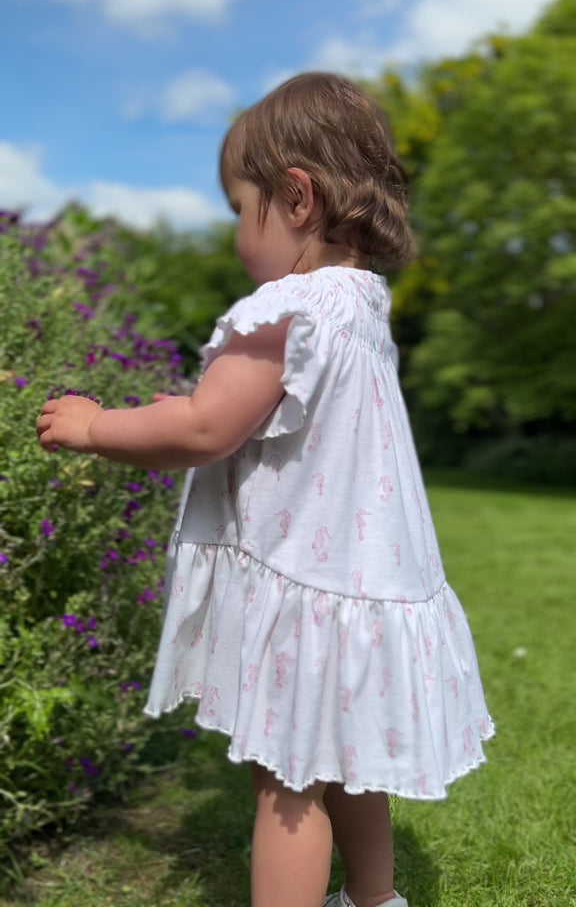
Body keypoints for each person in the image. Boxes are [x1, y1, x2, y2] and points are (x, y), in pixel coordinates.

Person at [37, 72, 494, 907]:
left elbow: (205, 426)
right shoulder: (361, 304)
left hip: (305, 581)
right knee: (350, 762)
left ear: (294, 198)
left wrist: (95, 425)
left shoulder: (290, 306)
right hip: (362, 581)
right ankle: (373, 899)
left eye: (237, 208)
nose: (235, 239)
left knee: (286, 783)